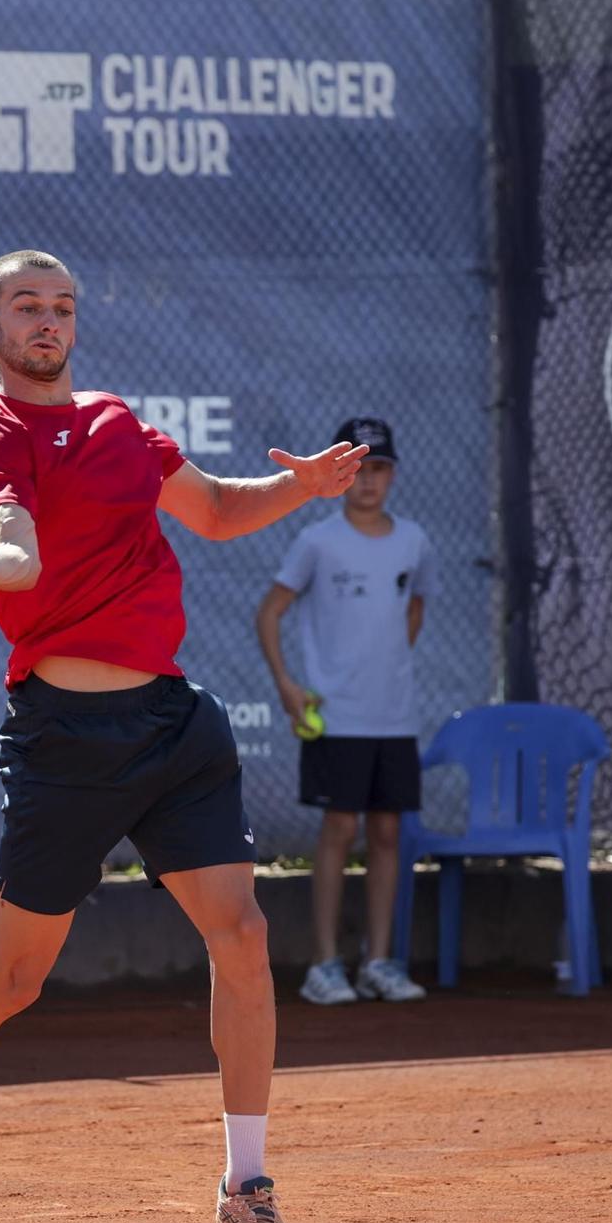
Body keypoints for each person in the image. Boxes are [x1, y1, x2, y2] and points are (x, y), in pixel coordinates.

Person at [0, 250, 366, 1223]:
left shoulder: (121, 423)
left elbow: (212, 510)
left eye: (62, 306)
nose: (48, 320)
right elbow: (18, 553)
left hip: (171, 726)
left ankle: (244, 1187)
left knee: (244, 937)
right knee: (9, 979)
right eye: (26, 307)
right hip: (64, 745)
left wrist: (293, 489)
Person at [255, 418, 433, 1007]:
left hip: (394, 718)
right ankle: (324, 965)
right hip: (337, 720)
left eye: (379, 468)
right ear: (339, 474)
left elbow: (413, 611)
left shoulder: (414, 541)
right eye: (359, 469)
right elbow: (270, 613)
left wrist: (382, 672)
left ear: (394, 475)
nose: (369, 481)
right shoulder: (317, 541)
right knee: (338, 831)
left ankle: (379, 961)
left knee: (386, 832)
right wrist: (288, 685)